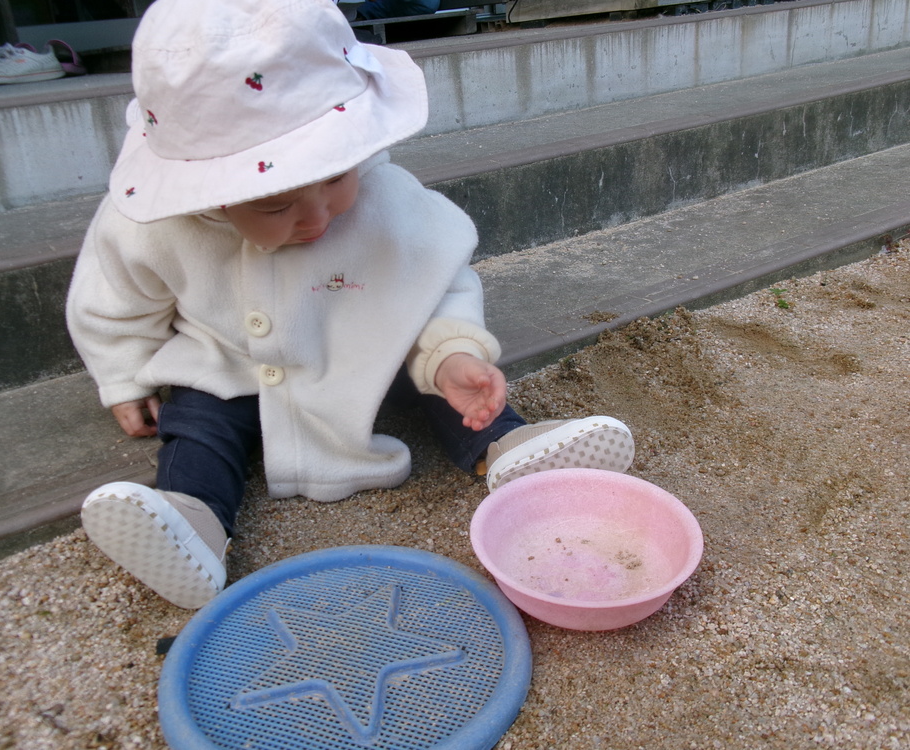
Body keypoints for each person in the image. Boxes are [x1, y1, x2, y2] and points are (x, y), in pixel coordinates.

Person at [66, 0, 635, 610]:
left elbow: (434, 276)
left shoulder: (387, 198)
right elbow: (114, 303)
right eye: (277, 208)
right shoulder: (152, 226)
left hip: (365, 347)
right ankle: (193, 521)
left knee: (455, 388)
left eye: (337, 180)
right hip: (228, 360)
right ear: (208, 194)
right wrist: (124, 376)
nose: (317, 218)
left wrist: (449, 351)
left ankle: (510, 448)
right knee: (198, 422)